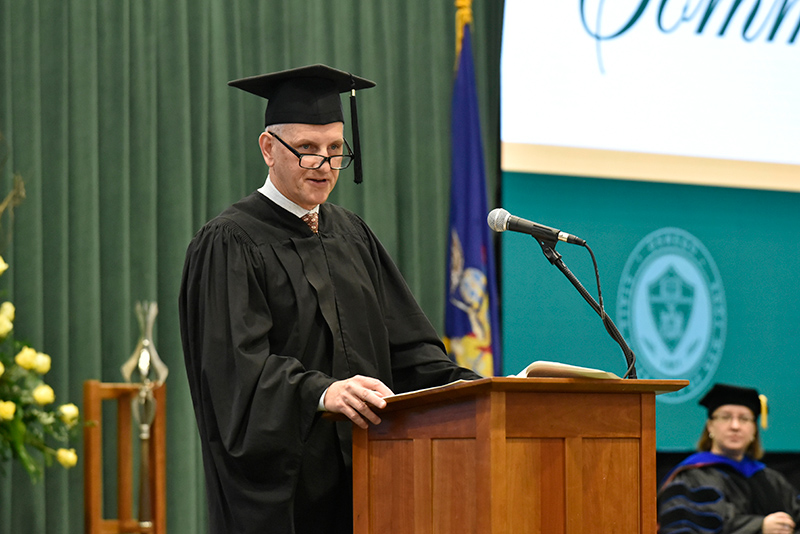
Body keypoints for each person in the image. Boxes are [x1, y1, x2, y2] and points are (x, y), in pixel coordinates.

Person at [178, 64, 482, 534]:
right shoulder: (230, 242)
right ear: (268, 149)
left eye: (336, 150)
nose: (324, 165)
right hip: (286, 497)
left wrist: (481, 390)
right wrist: (321, 392)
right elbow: (236, 373)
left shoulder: (352, 234)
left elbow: (410, 353)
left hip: (371, 483)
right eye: (307, 150)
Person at [658, 383, 800, 534]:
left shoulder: (772, 480)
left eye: (744, 419)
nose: (735, 426)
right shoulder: (690, 478)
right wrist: (759, 527)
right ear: (710, 426)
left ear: (754, 429)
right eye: (725, 417)